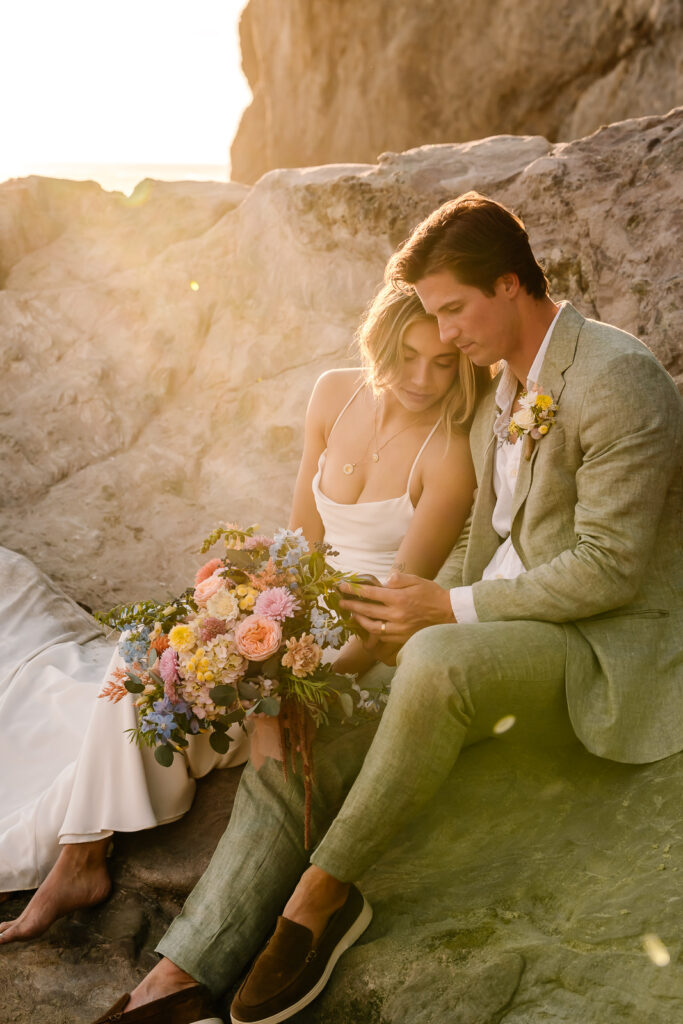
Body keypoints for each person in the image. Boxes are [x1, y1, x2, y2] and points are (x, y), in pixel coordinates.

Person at [85, 190, 682, 1024]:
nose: (444, 334)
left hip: (594, 646)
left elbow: (610, 570)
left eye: (452, 310)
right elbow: (479, 532)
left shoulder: (617, 377)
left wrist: (445, 608)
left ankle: (322, 895)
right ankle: (179, 977)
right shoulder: (499, 384)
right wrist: (341, 653)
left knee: (433, 656)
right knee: (306, 735)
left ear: (509, 284)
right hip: (499, 625)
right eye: (431, 315)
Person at [0, 284, 482, 946]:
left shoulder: (449, 454)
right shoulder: (333, 394)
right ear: (378, 345)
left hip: (351, 645)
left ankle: (80, 862)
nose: (423, 378)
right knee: (146, 654)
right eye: (407, 357)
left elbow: (391, 611)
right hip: (291, 609)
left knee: (188, 686)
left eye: (442, 362)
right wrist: (242, 612)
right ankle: (80, 862)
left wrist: (290, 692)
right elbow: (298, 546)